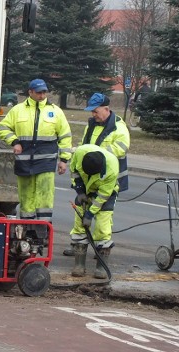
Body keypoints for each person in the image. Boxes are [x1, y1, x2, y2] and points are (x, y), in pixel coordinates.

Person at [63, 92, 130, 256]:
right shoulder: (92, 124)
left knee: (102, 216)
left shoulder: (118, 127)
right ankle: (78, 246)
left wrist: (95, 153)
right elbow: (85, 144)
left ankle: (102, 248)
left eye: (95, 111)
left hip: (107, 177)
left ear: (106, 109)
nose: (93, 114)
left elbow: (121, 149)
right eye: (92, 111)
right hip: (88, 176)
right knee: (80, 211)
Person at [0, 78, 72, 223]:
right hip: (24, 161)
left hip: (46, 161)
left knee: (45, 193)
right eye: (39, 92)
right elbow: (3, 128)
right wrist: (14, 142)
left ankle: (43, 226)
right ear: (30, 92)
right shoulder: (17, 110)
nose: (42, 95)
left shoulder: (55, 112)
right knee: (26, 195)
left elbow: (65, 136)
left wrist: (64, 160)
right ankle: (26, 226)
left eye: (44, 92)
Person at [69, 144, 119, 279]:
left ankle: (101, 267)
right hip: (85, 190)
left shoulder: (112, 168)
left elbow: (103, 195)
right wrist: (79, 190)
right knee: (79, 226)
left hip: (104, 194)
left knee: (102, 228)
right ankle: (79, 265)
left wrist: (90, 214)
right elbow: (74, 171)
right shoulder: (79, 153)